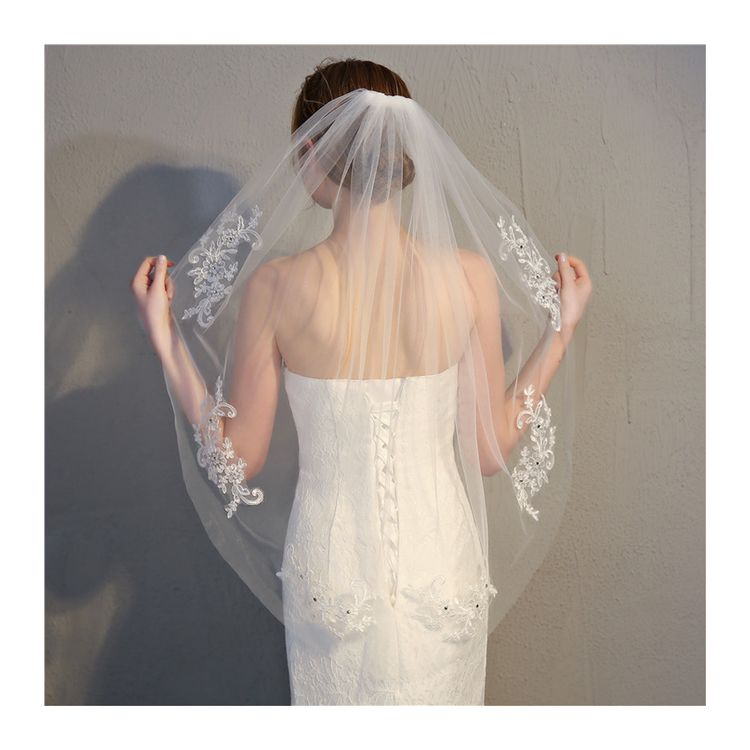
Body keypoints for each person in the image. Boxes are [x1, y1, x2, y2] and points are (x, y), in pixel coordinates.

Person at [131, 58, 592, 705]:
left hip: (333, 577)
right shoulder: (467, 278)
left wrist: (166, 340)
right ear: (406, 151)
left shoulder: (277, 287)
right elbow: (487, 450)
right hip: (443, 573)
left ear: (310, 151)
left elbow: (240, 457)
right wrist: (560, 331)